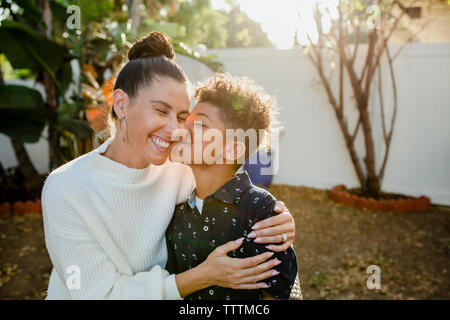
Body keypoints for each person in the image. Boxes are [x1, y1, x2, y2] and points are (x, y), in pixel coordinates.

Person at [41, 31, 296, 299]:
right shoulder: (65, 188)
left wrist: (279, 219)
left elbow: (228, 180)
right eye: (161, 111)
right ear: (121, 104)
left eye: (182, 117)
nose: (175, 130)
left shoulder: (180, 169)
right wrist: (202, 276)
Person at [165, 73, 298, 300]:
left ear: (232, 150)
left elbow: (275, 293)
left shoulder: (261, 210)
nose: (182, 131)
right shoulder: (178, 206)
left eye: (200, 125)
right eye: (186, 122)